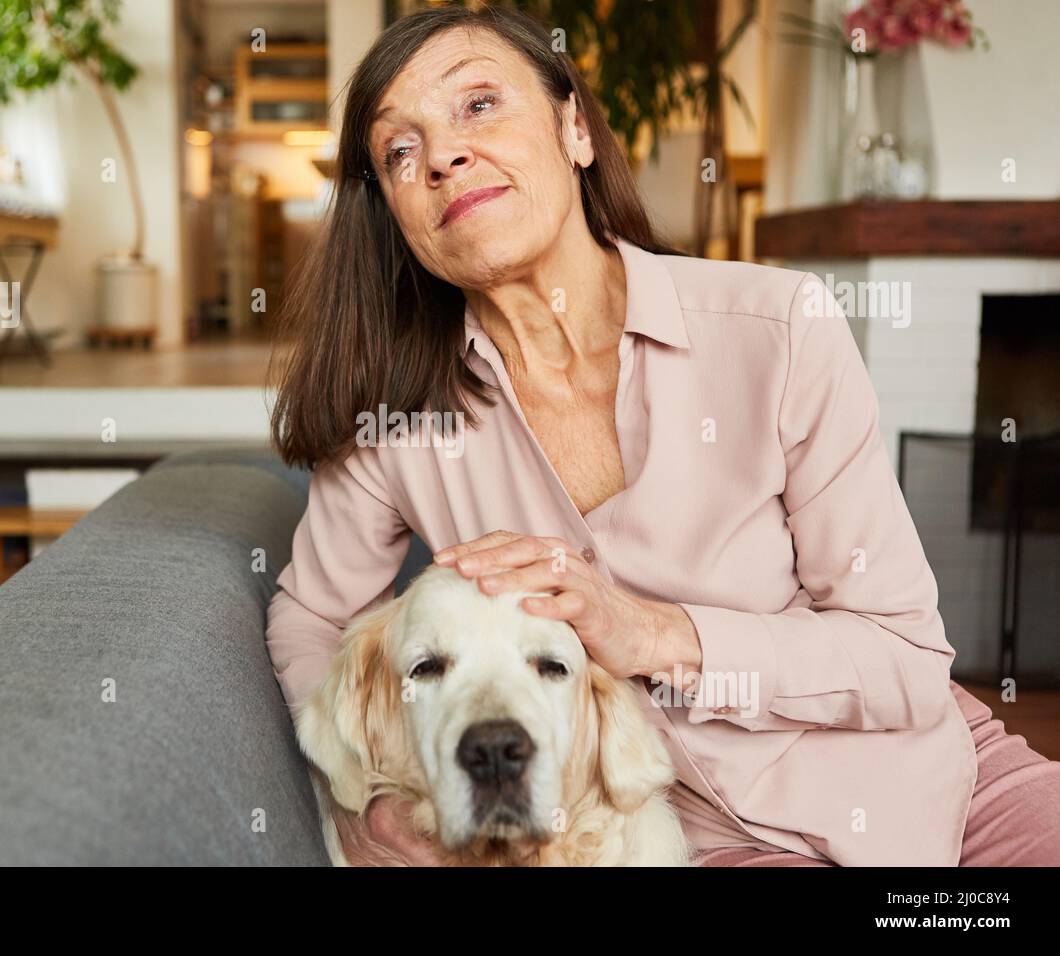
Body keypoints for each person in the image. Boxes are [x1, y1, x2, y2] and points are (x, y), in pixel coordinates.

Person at [265, 4, 1060, 866]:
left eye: (480, 104)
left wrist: (652, 632)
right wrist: (363, 794)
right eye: (399, 150)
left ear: (575, 129)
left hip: (941, 784)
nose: (445, 156)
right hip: (689, 840)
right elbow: (310, 617)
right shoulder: (392, 413)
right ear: (392, 209)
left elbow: (904, 659)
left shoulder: (778, 328)